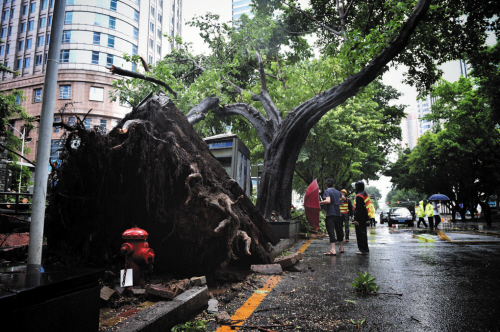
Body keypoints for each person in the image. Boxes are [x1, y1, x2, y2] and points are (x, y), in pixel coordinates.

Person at [319, 178, 344, 255]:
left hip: (330, 214)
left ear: (326, 185)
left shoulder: (327, 191)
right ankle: (341, 247)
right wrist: (337, 200)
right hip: (338, 214)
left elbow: (328, 201)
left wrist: (319, 202)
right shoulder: (337, 192)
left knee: (331, 230)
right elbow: (343, 198)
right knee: (339, 230)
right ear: (333, 185)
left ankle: (333, 250)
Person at [353, 181, 373, 255]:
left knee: (360, 234)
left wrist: (356, 219)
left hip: (360, 218)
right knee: (364, 233)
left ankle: (362, 250)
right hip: (364, 217)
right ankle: (365, 249)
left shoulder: (359, 196)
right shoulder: (365, 193)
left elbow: (358, 209)